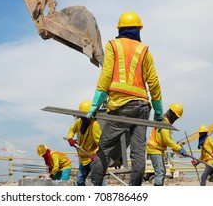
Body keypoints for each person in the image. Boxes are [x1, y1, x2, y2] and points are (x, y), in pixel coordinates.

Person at [86, 11, 164, 186]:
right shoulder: (145, 51)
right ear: (138, 29)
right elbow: (154, 83)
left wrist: (94, 106)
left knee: (104, 149)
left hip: (120, 107)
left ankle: (95, 189)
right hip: (142, 108)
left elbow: (105, 77)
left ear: (120, 29)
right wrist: (159, 112)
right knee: (138, 152)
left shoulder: (113, 46)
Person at [146, 102, 187, 186]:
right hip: (154, 149)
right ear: (172, 114)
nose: (176, 119)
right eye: (176, 117)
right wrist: (179, 148)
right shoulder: (164, 122)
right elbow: (167, 140)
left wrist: (175, 148)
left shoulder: (165, 121)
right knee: (160, 172)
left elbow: (167, 138)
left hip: (158, 150)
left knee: (162, 171)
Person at [67, 100, 102, 186]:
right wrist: (70, 138)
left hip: (92, 158)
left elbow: (100, 143)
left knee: (97, 181)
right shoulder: (79, 122)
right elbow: (72, 129)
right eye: (81, 116)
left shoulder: (95, 125)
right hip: (84, 159)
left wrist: (97, 155)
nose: (82, 119)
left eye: (84, 117)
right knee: (79, 180)